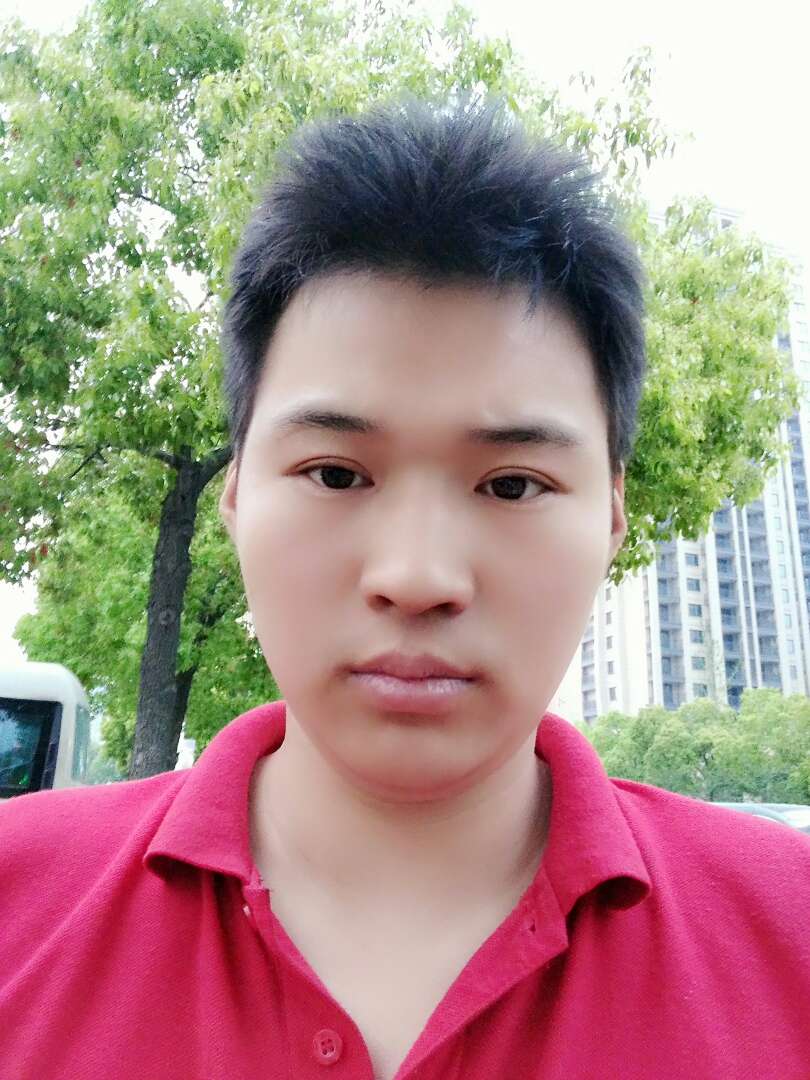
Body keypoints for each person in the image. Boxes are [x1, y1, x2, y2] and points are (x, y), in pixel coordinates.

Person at [1, 97, 809, 1080]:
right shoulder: (17, 904)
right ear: (237, 495)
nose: (417, 579)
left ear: (610, 515)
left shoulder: (789, 932)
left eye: (512, 485)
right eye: (337, 473)